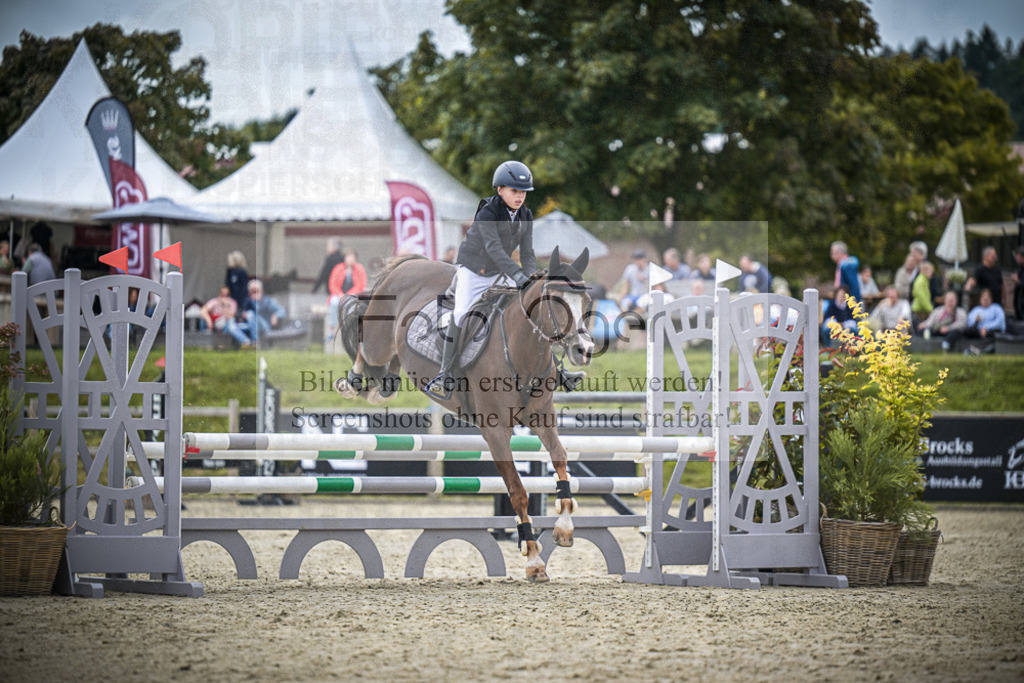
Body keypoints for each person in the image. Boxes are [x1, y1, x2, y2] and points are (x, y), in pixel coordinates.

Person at [425, 160, 538, 398]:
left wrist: (530, 279)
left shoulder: (525, 215)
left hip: (500, 271)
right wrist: (517, 274)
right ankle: (446, 374)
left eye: (523, 192)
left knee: (528, 308)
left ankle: (554, 369)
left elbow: (527, 252)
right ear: (500, 190)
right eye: (514, 191)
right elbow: (493, 248)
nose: (520, 196)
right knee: (461, 314)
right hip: (475, 271)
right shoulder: (488, 211)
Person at [325, 248, 369, 351]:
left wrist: (349, 294)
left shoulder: (359, 268)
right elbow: (332, 284)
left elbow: (361, 284)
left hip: (353, 295)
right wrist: (340, 294)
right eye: (349, 257)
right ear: (345, 258)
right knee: (334, 303)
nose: (350, 259)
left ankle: (351, 331)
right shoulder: (338, 268)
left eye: (352, 257)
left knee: (353, 307)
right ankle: (331, 329)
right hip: (339, 295)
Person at [227, 279, 287, 348]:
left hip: (264, 326)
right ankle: (247, 342)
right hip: (250, 325)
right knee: (231, 324)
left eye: (256, 291)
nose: (254, 293)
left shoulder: (268, 301)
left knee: (250, 314)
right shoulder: (247, 302)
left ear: (261, 291)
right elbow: (242, 314)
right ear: (249, 292)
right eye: (252, 291)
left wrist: (275, 315)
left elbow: (282, 310)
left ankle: (256, 341)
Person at [943, 288, 1006, 354]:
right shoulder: (976, 310)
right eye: (983, 297)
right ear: (980, 299)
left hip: (992, 331)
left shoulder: (996, 308)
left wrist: (986, 328)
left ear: (991, 299)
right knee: (966, 331)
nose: (985, 299)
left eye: (987, 297)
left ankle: (983, 350)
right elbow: (969, 323)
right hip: (979, 332)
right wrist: (976, 321)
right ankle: (968, 349)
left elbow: (1000, 321)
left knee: (991, 333)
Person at [911, 261, 936, 327]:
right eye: (931, 271)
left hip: (922, 310)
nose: (932, 273)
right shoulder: (921, 281)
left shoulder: (925, 280)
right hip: (919, 311)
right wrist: (930, 309)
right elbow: (922, 298)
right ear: (925, 271)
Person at [1013, 246, 1024, 321]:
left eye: (1018, 255)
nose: (1016, 257)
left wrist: (1018, 281)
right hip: (1019, 302)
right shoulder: (1020, 268)